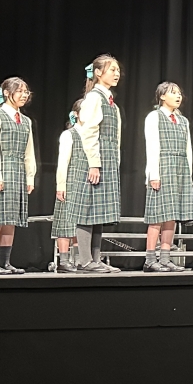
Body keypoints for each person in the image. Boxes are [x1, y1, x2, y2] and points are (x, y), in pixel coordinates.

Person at [70, 55, 123, 274]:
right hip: (94, 159)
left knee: (99, 212)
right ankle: (84, 260)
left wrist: (114, 162)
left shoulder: (111, 102)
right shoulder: (93, 98)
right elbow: (89, 132)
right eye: (112, 69)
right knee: (87, 209)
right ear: (98, 73)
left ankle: (96, 259)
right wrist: (94, 163)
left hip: (106, 159)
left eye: (118, 70)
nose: (117, 73)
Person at [0, 78, 36, 275]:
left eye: (26, 91)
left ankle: (4, 262)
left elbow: (29, 151)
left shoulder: (26, 121)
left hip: (18, 171)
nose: (24, 95)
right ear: (6, 93)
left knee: (10, 218)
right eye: (19, 91)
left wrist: (30, 176)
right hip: (1, 169)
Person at [143, 82, 193, 273]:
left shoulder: (183, 120)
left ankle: (165, 258)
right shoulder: (154, 117)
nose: (178, 96)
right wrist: (154, 174)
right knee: (157, 216)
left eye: (179, 93)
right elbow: (152, 146)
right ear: (162, 96)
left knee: (171, 216)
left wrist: (188, 174)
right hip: (163, 167)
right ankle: (150, 259)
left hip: (180, 169)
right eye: (173, 93)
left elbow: (188, 149)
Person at [51, 101, 85, 273]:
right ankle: (64, 261)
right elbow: (63, 162)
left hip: (86, 184)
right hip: (70, 182)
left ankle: (80, 259)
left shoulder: (93, 135)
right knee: (65, 222)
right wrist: (61, 185)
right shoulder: (69, 134)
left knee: (82, 224)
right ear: (76, 114)